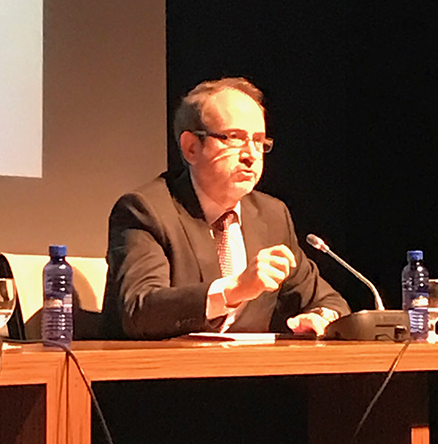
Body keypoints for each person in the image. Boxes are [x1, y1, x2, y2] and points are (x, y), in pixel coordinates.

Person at [101, 77, 350, 339]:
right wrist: (235, 289)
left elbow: (330, 302)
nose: (251, 155)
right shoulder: (145, 210)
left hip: (249, 365)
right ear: (191, 148)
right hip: (163, 364)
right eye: (234, 138)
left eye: (258, 141)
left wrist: (318, 317)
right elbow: (139, 311)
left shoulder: (272, 215)